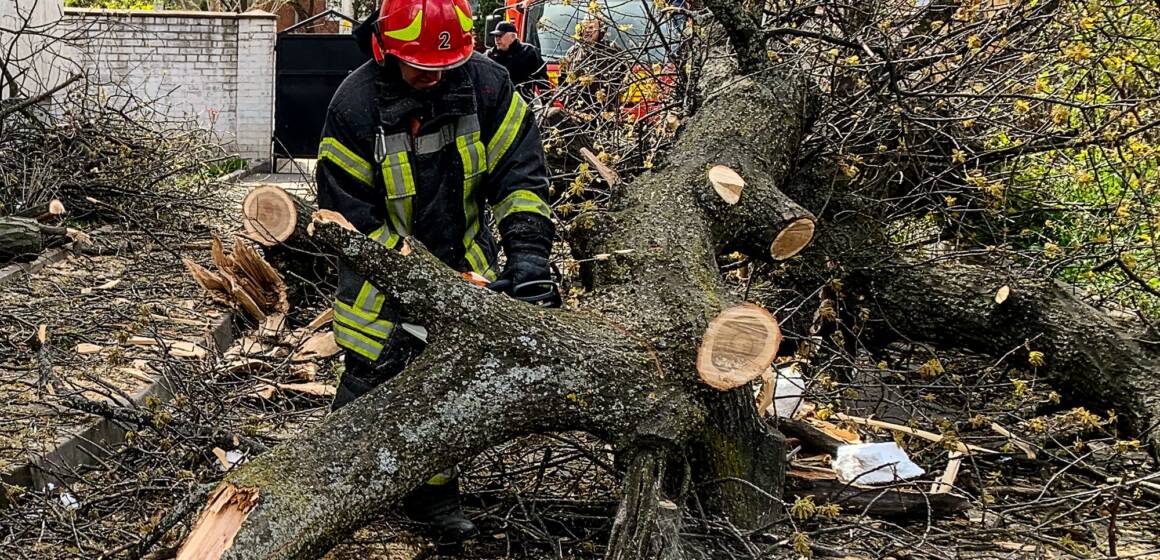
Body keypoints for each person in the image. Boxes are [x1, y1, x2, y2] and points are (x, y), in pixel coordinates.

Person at [317, 0, 554, 543]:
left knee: (448, 391)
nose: (431, 76)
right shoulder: (354, 106)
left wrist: (529, 260)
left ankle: (432, 495)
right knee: (370, 382)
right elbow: (346, 218)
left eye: (442, 66)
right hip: (377, 276)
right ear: (384, 46)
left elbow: (520, 178)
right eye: (419, 65)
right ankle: (329, 489)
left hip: (466, 264)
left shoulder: (489, 88)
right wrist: (414, 284)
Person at [486, 21, 550, 97]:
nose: (497, 39)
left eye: (500, 35)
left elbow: (542, 81)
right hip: (496, 105)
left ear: (513, 36)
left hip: (522, 102)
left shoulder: (529, 52)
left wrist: (547, 103)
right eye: (495, 36)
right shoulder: (489, 56)